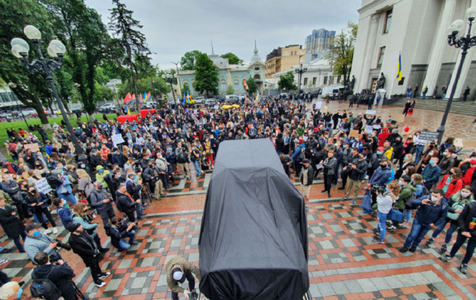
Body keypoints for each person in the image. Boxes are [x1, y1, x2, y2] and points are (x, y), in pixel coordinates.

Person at [399, 189, 448, 253]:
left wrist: (435, 224)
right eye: (432, 195)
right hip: (418, 220)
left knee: (420, 236)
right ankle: (406, 246)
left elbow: (443, 216)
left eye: (436, 196)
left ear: (441, 197)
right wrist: (421, 202)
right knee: (413, 234)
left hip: (429, 223)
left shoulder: (444, 205)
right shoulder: (426, 198)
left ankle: (414, 246)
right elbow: (413, 202)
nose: (433, 197)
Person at [427, 186, 474, 253]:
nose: (464, 193)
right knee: (439, 228)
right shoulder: (454, 197)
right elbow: (446, 206)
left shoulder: (471, 202)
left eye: (467, 192)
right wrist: (454, 210)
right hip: (448, 215)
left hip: (458, 219)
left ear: (471, 193)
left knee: (449, 232)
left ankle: (445, 244)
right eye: (463, 191)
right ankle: (432, 238)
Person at [67, 222, 110, 288]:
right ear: (74, 230)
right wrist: (92, 252)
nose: (81, 226)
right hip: (87, 256)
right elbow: (79, 250)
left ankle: (100, 273)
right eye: (79, 226)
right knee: (93, 267)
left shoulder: (82, 232)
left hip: (93, 251)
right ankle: (96, 281)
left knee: (96, 263)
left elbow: (89, 239)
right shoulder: (72, 240)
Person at [441, 199, 476, 274]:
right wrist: (463, 230)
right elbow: (461, 217)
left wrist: (472, 233)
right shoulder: (470, 206)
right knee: (457, 244)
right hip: (464, 230)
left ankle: (465, 263)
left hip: (474, 235)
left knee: (470, 249)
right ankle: (450, 255)